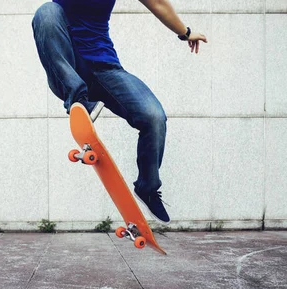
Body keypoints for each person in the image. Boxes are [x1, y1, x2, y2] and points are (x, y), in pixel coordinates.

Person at [32, 0, 207, 224]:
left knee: (154, 117)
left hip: (105, 67)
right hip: (67, 69)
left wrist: (186, 32)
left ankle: (148, 187)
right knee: (46, 13)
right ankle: (78, 100)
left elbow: (158, 3)